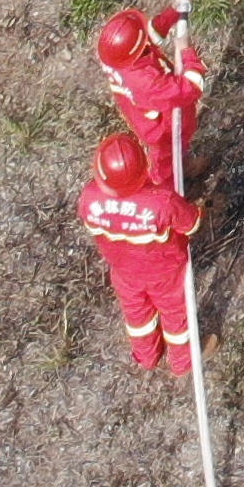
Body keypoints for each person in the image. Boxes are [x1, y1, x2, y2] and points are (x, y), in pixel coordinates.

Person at [76, 130, 203, 375]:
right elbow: (191, 223)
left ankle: (146, 356)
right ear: (143, 167)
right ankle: (182, 362)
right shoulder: (161, 203)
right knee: (177, 317)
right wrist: (202, 210)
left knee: (137, 315)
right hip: (166, 273)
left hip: (124, 272)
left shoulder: (89, 200)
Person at [96, 6, 209, 191]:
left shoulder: (115, 53)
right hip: (161, 127)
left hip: (151, 112)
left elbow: (148, 35)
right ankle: (165, 190)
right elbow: (190, 87)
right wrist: (186, 52)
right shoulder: (146, 83)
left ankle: (182, 163)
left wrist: (173, 13)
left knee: (178, 150)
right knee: (165, 160)